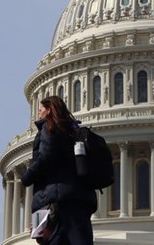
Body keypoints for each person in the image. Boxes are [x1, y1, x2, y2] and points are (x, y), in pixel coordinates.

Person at [21, 95, 97, 245]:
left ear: (49, 110)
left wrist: (27, 176)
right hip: (80, 198)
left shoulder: (49, 128)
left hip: (57, 201)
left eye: (41, 110)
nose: (39, 113)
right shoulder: (74, 131)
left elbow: (45, 157)